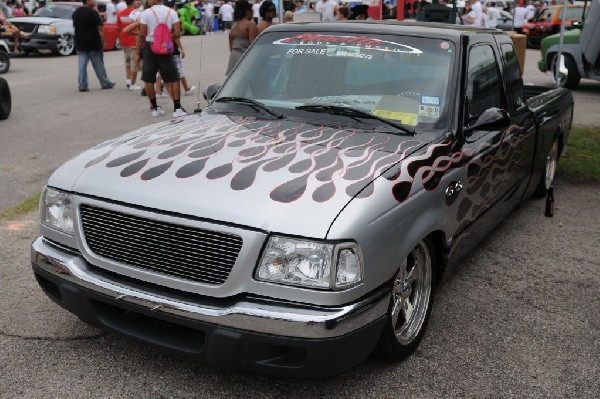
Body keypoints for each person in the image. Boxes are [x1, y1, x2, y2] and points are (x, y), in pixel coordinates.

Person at [136, 0, 186, 117]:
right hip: (166, 47)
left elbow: (142, 34)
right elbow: (178, 34)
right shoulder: (171, 12)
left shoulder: (146, 13)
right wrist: (165, 37)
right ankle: (177, 108)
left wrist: (138, 53)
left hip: (150, 47)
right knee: (173, 78)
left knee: (149, 79)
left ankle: (154, 108)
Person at [72, 0, 115, 91]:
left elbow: (75, 26)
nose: (94, 1)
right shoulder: (93, 13)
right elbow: (100, 28)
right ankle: (105, 82)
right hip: (93, 42)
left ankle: (82, 85)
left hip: (80, 42)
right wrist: (104, 41)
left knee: (82, 65)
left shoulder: (76, 12)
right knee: (98, 65)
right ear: (87, 1)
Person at [226, 0, 257, 75]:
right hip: (245, 61)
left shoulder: (233, 27)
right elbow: (254, 46)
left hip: (233, 60)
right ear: (247, 11)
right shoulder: (250, 25)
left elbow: (231, 48)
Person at [117, 0, 142, 90]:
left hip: (124, 40)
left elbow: (118, 28)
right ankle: (132, 84)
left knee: (127, 61)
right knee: (134, 63)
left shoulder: (120, 14)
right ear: (133, 3)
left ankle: (128, 80)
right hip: (133, 40)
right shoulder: (136, 14)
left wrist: (120, 40)